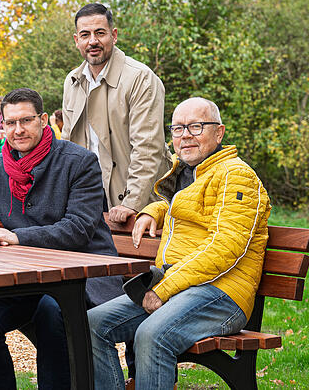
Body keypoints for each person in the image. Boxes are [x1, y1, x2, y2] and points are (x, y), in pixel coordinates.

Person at [87, 97, 271, 390]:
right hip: (179, 286)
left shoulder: (237, 176)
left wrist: (163, 288)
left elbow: (226, 248)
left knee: (152, 335)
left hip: (221, 294)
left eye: (196, 127)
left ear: (219, 133)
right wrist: (153, 210)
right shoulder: (190, 173)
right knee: (93, 324)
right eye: (177, 128)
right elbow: (189, 207)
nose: (185, 135)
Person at [0, 88, 123, 390]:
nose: (17, 130)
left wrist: (15, 236)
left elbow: (78, 228)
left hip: (82, 276)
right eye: (10, 122)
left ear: (43, 120)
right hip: (25, 280)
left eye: (26, 121)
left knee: (51, 311)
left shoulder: (79, 162)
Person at [62, 3, 170, 223]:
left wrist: (132, 202)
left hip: (134, 199)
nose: (93, 41)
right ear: (76, 41)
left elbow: (147, 147)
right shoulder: (72, 81)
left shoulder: (140, 78)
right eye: (85, 35)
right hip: (88, 196)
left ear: (114, 35)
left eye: (100, 33)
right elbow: (67, 144)